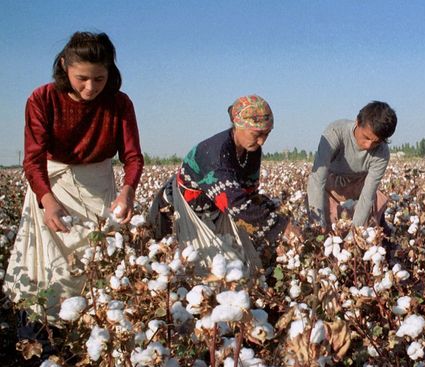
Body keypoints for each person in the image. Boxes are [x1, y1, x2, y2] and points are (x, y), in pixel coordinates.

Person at [3, 32, 144, 322]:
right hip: (52, 186)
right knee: (47, 265)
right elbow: (33, 159)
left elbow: (132, 157)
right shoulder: (43, 99)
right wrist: (47, 200)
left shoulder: (119, 104)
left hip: (98, 188)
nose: (90, 87)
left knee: (98, 260)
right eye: (82, 78)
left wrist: (128, 189)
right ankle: (46, 328)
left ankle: (93, 328)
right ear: (65, 66)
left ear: (110, 74)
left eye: (99, 79)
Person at [148, 95, 288, 272]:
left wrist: (275, 213)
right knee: (197, 273)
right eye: (257, 134)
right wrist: (281, 226)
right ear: (238, 125)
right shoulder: (216, 153)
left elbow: (248, 194)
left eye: (267, 134)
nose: (262, 141)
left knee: (241, 267)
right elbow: (235, 204)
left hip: (215, 212)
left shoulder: (252, 151)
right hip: (179, 212)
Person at [307, 101, 397, 232]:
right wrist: (317, 222)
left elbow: (367, 195)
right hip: (331, 186)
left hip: (359, 189)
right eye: (366, 137)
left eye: (376, 142)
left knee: (368, 231)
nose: (368, 146)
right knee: (326, 230)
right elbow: (317, 179)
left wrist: (355, 233)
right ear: (357, 122)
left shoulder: (382, 153)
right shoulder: (336, 132)